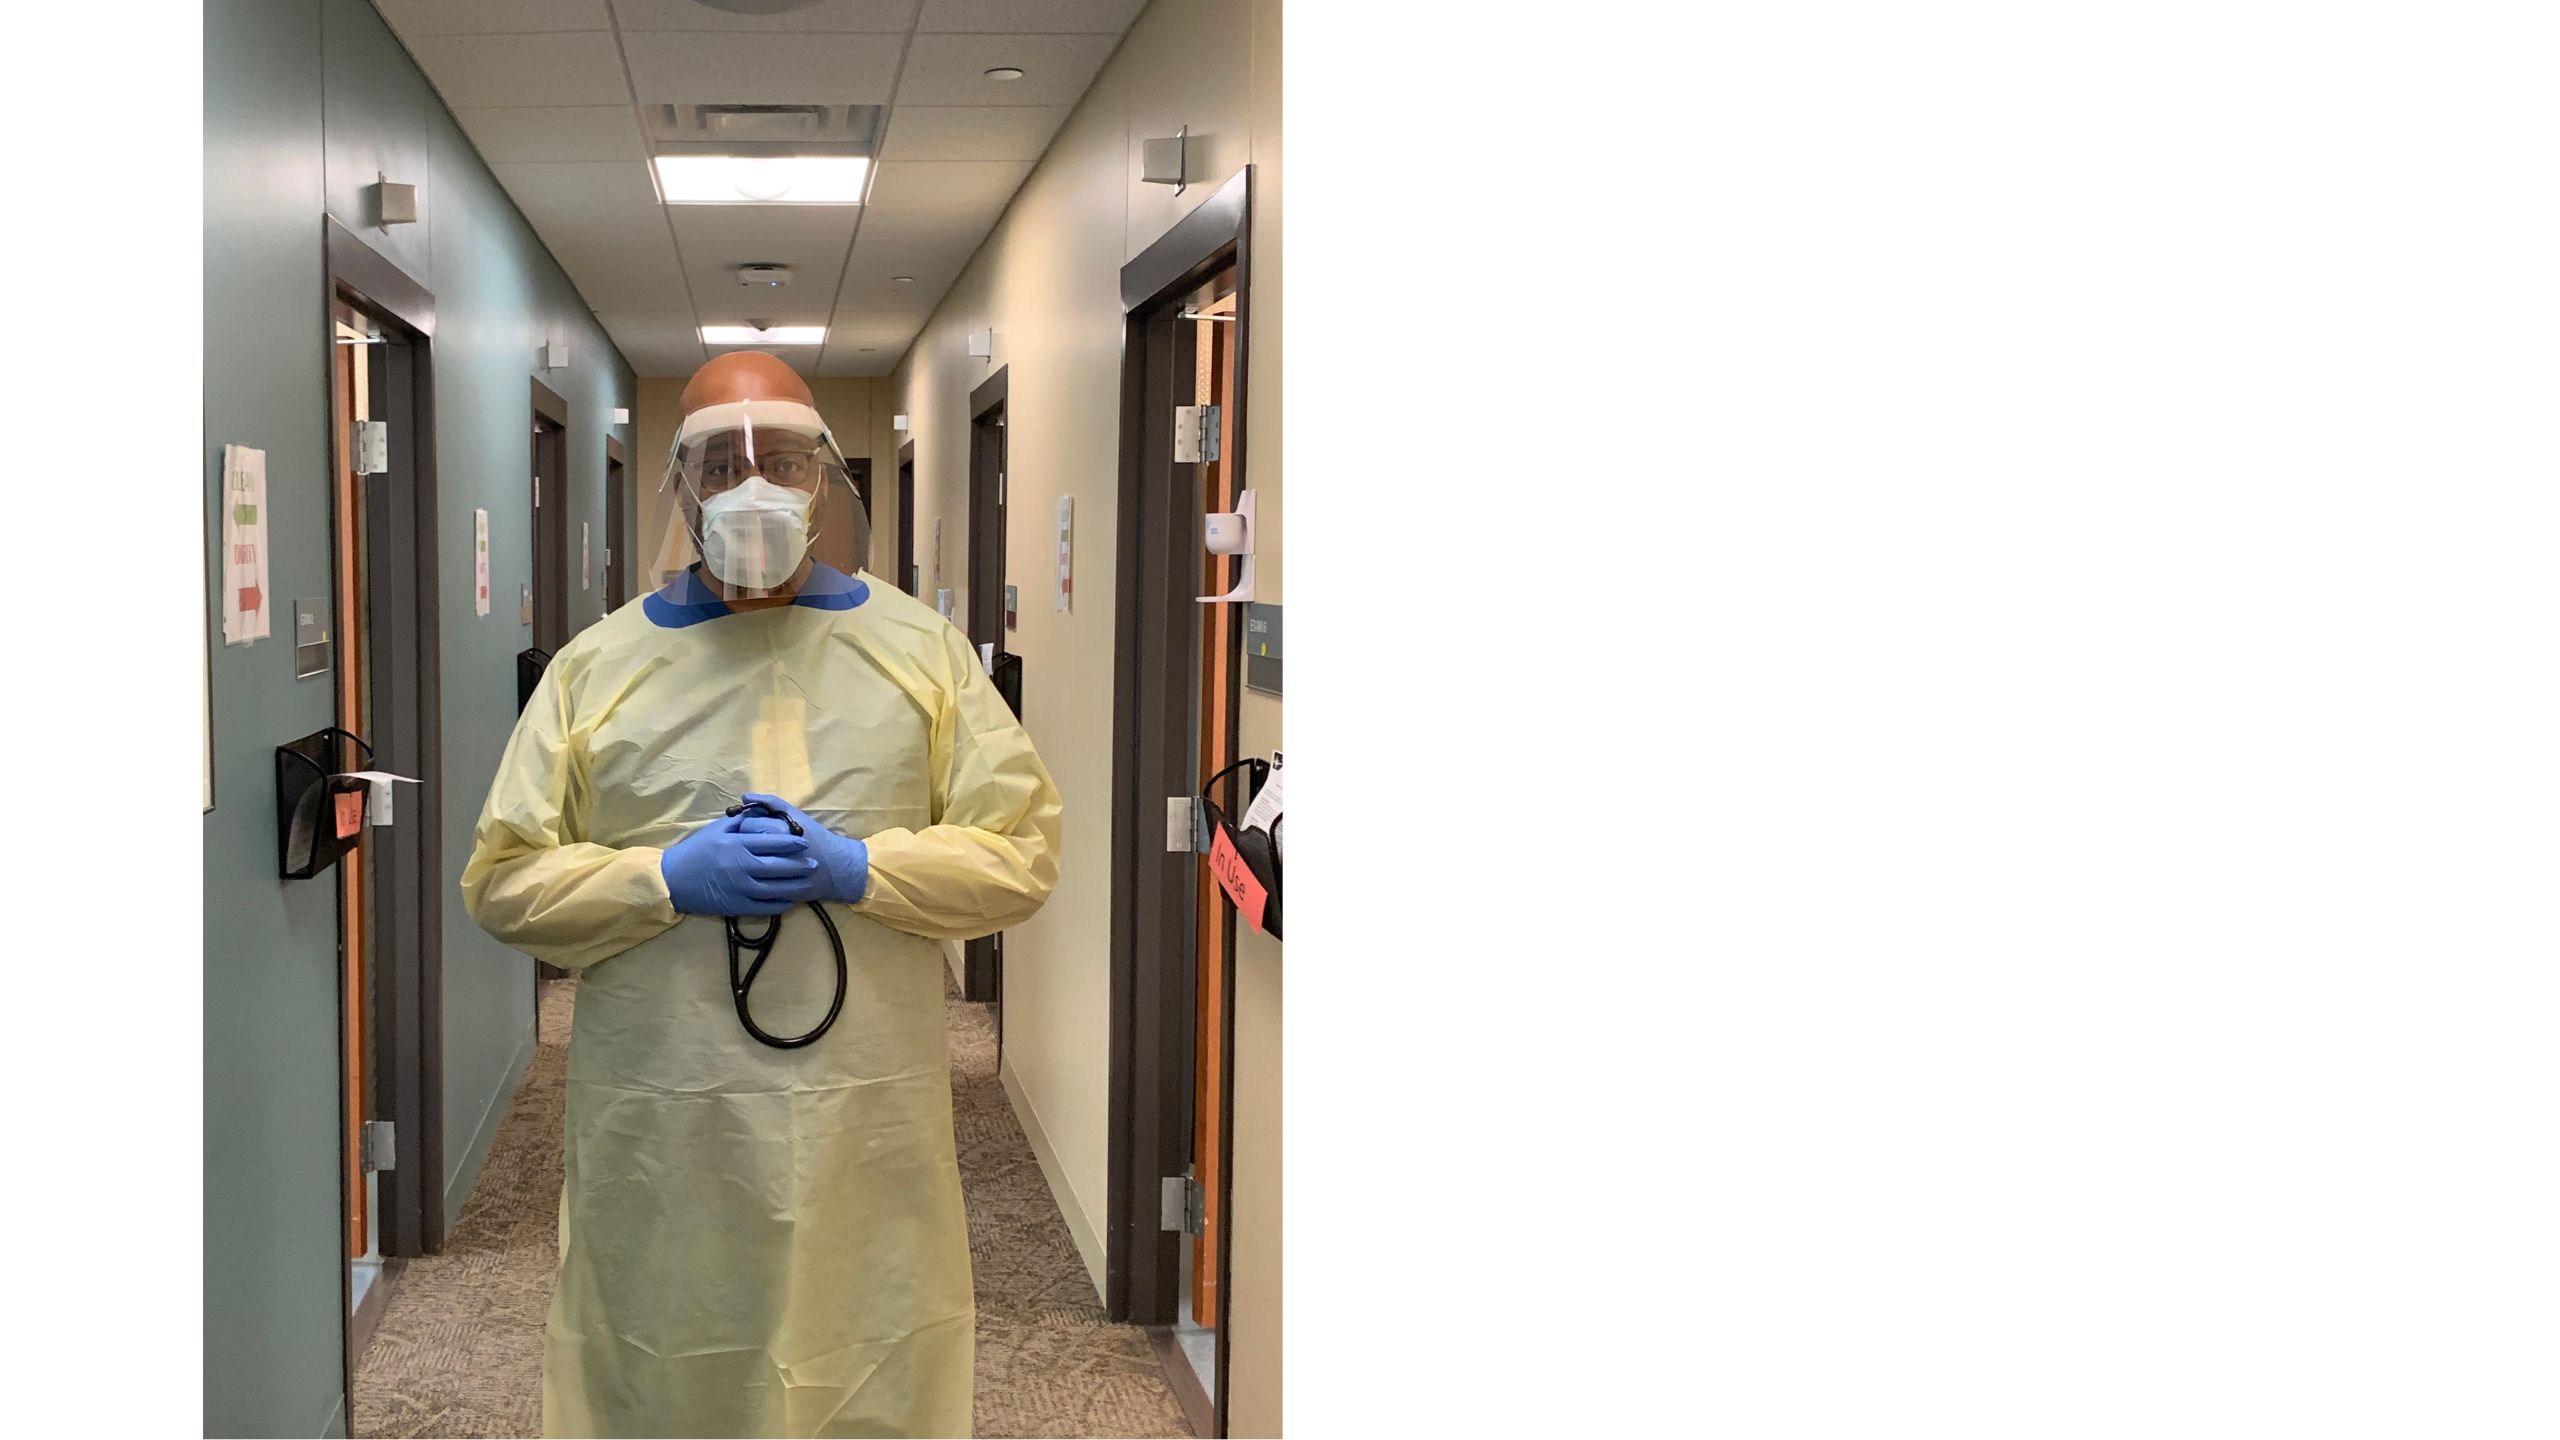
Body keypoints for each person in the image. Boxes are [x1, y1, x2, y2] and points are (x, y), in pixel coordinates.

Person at [461, 351, 1062, 1438]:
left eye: (780, 458)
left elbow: (1019, 849)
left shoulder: (919, 652)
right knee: (659, 1343)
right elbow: (504, 881)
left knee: (866, 1334)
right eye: (718, 462)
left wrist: (864, 870)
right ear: (679, 488)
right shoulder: (596, 670)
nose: (753, 487)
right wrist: (660, 881)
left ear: (823, 477)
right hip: (664, 1114)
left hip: (862, 1114)